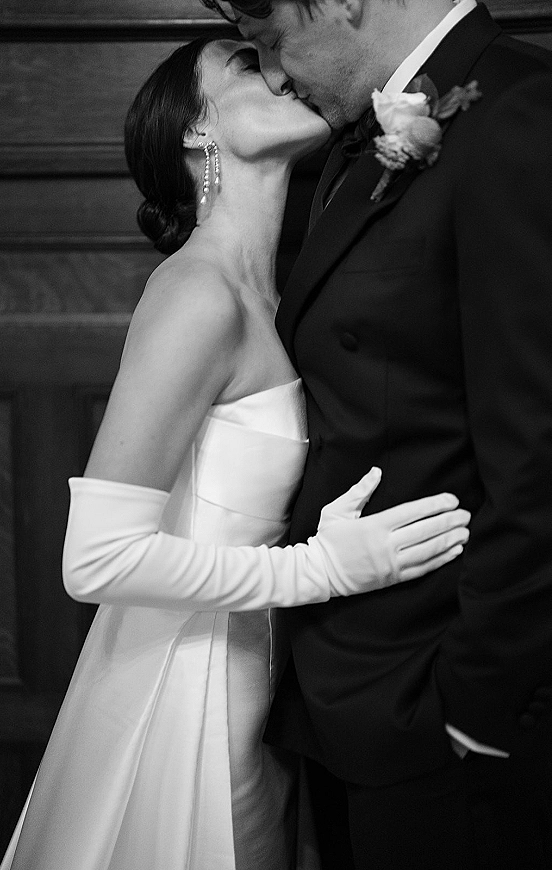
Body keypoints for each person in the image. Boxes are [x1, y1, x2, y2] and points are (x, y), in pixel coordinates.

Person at [0, 37, 470, 870]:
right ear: (198, 135)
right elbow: (95, 559)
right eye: (248, 64)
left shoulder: (278, 295)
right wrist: (320, 569)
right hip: (192, 688)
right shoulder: (197, 294)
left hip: (264, 680)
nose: (284, 67)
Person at [202, 0, 552, 867]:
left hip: (445, 710)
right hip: (349, 695)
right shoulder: (355, 144)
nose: (275, 73)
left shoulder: (520, 115)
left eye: (272, 39)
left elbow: (540, 450)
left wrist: (474, 703)